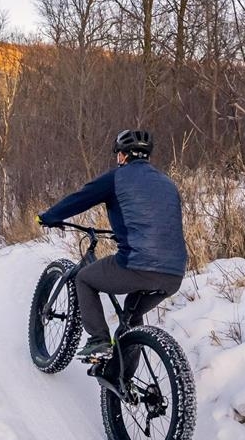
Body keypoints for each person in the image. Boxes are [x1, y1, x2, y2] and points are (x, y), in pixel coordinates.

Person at [37, 130, 187, 358]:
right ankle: (123, 383)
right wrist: (125, 234)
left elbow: (79, 199)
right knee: (131, 317)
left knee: (84, 278)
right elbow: (157, 222)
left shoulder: (117, 177)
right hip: (174, 274)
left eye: (118, 154)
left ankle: (98, 340)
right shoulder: (168, 184)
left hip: (137, 265)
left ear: (123, 156)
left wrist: (49, 216)